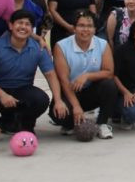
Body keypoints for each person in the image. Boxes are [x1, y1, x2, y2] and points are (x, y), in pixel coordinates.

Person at [0, 10, 67, 134]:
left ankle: (24, 124)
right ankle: (3, 122)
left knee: (41, 99)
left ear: (32, 29)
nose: (23, 27)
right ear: (11, 25)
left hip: (23, 89)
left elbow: (50, 75)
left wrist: (58, 100)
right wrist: (2, 95)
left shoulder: (38, 49)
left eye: (27, 24)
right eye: (20, 23)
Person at [50, 10, 118, 140]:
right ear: (74, 28)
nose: (85, 29)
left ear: (95, 29)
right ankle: (71, 123)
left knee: (110, 85)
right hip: (69, 91)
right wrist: (76, 107)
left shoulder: (102, 44)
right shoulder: (61, 46)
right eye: (81, 25)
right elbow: (64, 80)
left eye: (89, 26)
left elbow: (109, 72)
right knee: (59, 116)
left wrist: (87, 76)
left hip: (91, 91)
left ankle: (102, 123)